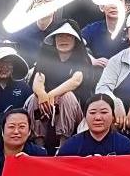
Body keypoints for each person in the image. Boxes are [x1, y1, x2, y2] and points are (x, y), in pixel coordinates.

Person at [29, 22, 90, 151]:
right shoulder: (47, 60)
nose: (63, 39)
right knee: (34, 98)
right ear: (54, 39)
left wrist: (52, 94)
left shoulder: (82, 61)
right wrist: (42, 94)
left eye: (68, 36)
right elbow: (38, 79)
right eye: (60, 36)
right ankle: (39, 146)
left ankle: (62, 147)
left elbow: (75, 81)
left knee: (67, 96)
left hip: (75, 113)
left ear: (75, 40)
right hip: (47, 111)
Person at [58, 93, 130, 156]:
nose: (98, 117)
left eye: (104, 112)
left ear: (113, 117)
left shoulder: (124, 145)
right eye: (92, 112)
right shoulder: (71, 146)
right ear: (85, 117)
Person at [8, 0, 63, 67]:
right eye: (39, 1)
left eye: (47, 1)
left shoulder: (61, 31)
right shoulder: (19, 30)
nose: (42, 4)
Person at [81, 0, 130, 68]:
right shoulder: (93, 29)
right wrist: (91, 60)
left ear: (126, 7)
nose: (114, 6)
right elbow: (76, 44)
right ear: (102, 7)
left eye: (119, 1)